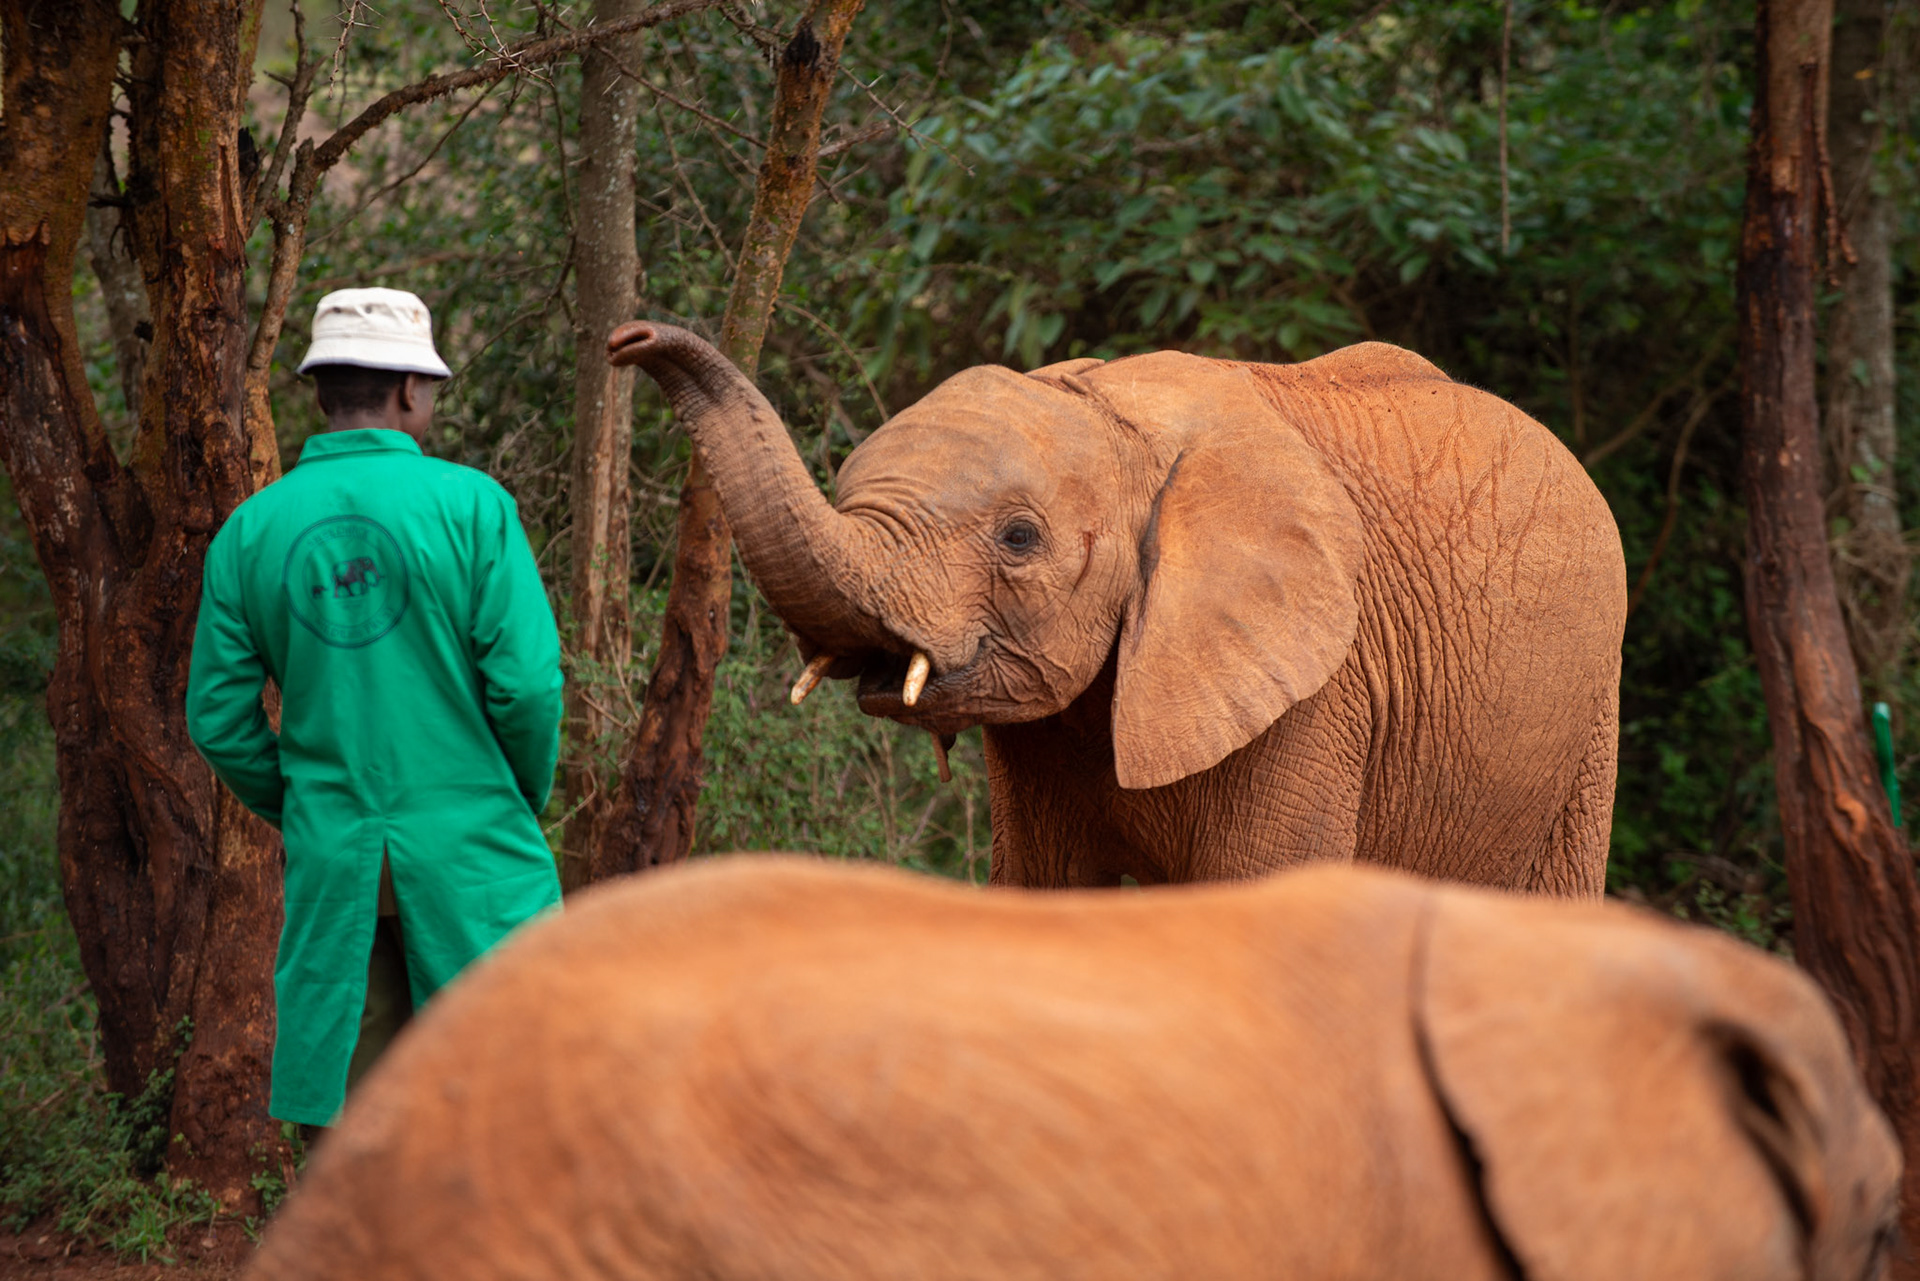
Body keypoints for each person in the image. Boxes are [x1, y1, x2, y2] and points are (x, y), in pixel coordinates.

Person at [186, 287, 563, 1133]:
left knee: (355, 1130)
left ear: (322, 392)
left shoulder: (250, 531)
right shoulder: (474, 507)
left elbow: (217, 718)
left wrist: (308, 805)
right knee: (500, 1106)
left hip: (336, 860)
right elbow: (530, 686)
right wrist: (513, 797)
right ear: (409, 390)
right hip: (474, 859)